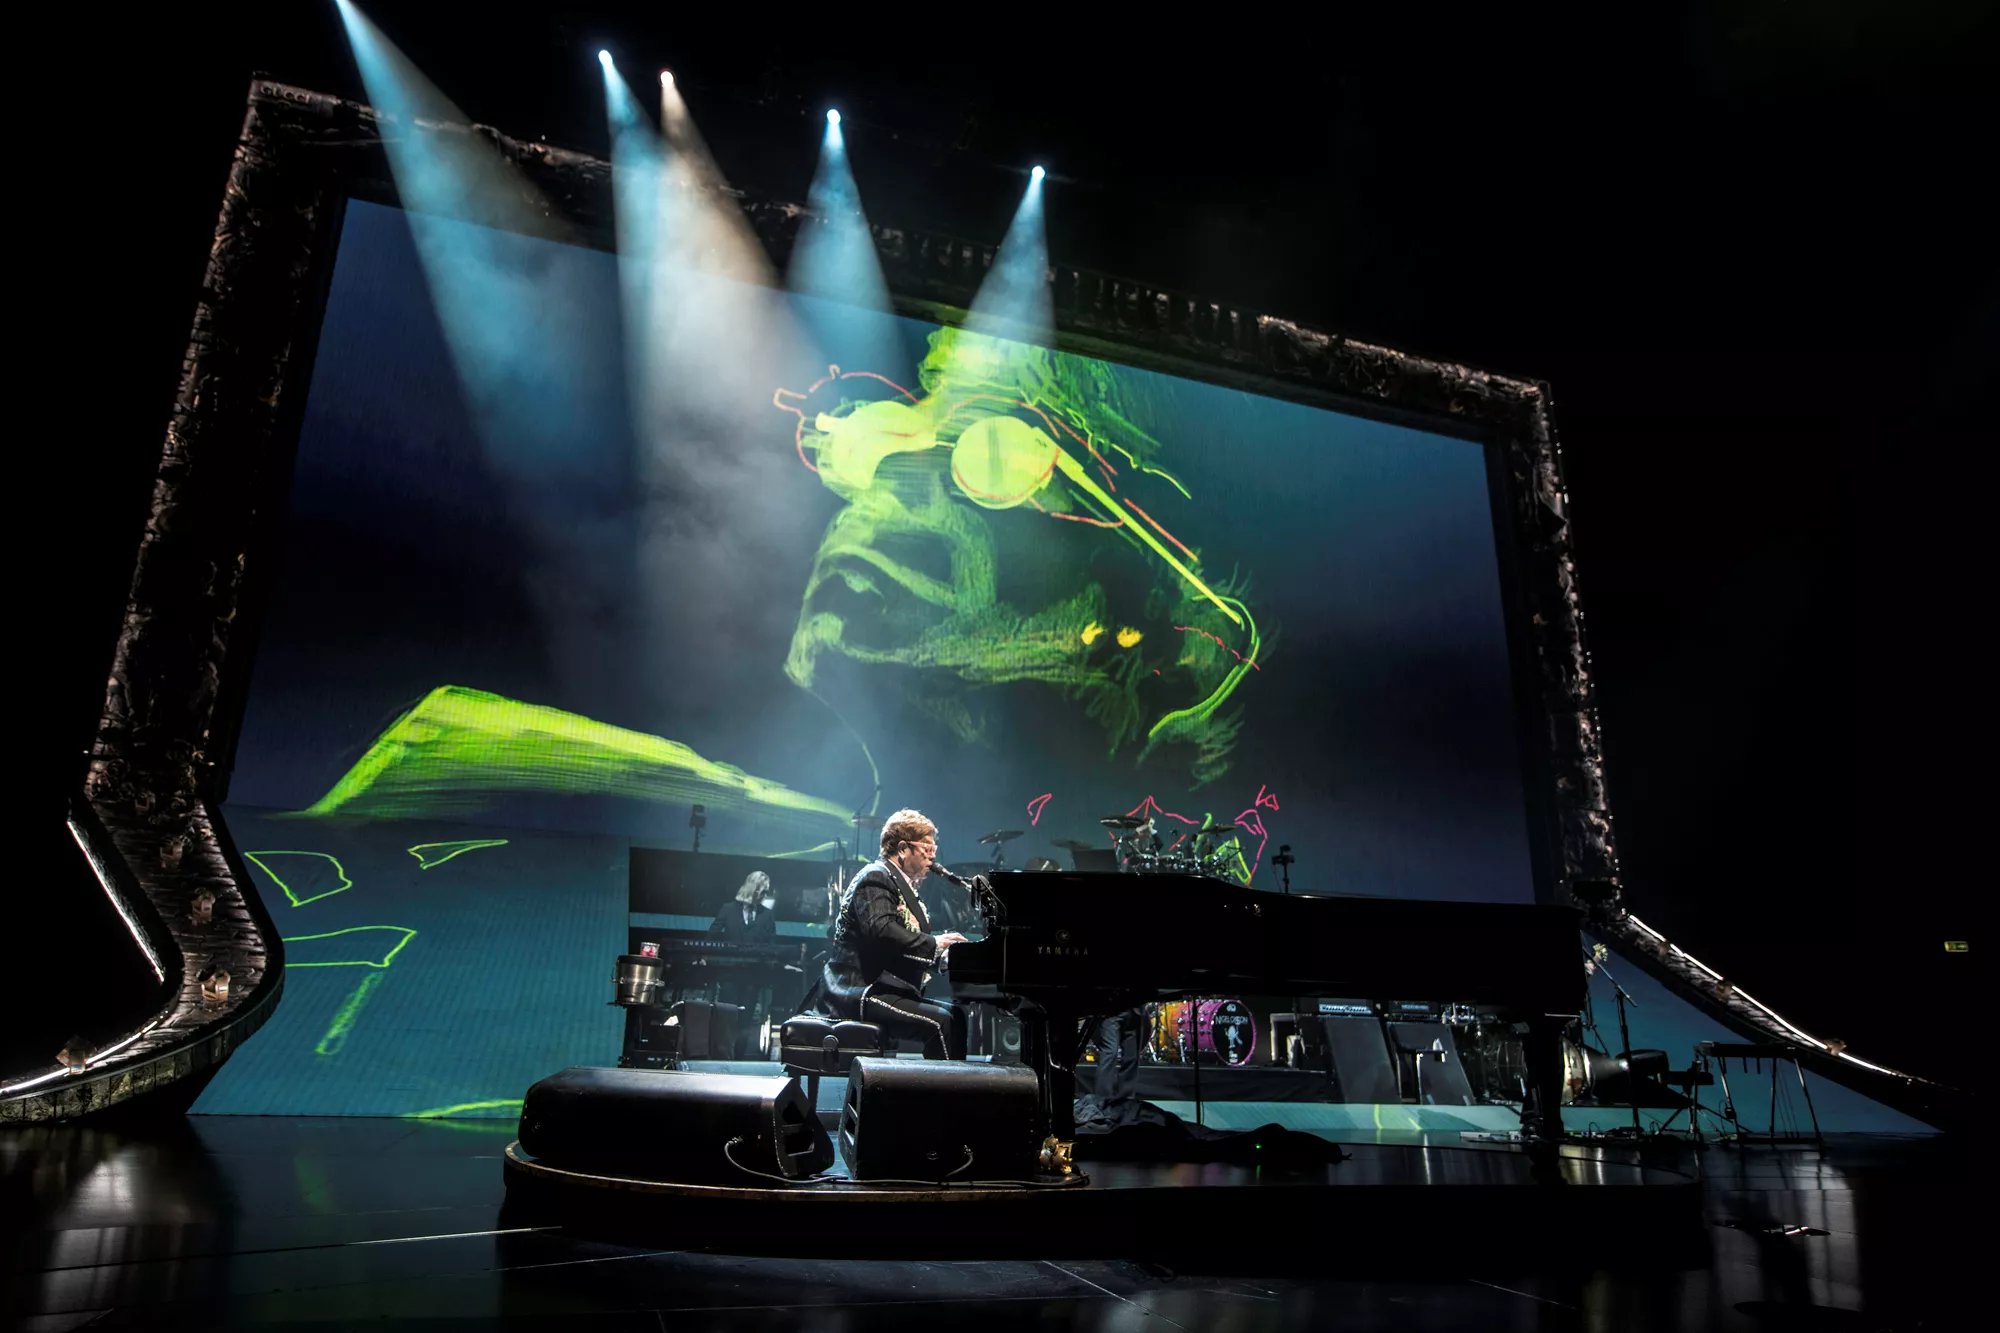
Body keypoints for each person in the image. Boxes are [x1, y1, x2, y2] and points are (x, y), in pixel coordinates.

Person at [817, 809, 969, 1059]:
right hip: (859, 990)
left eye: (934, 848)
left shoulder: (897, 884)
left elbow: (902, 944)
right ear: (902, 848)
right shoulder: (875, 877)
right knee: (942, 1022)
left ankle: (952, 1083)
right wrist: (935, 944)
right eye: (927, 848)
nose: (933, 855)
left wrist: (942, 957)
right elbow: (882, 931)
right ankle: (945, 1086)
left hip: (883, 988)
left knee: (957, 1016)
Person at [711, 872, 778, 944]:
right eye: (763, 892)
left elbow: (771, 944)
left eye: (767, 892)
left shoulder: (768, 915)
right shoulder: (728, 910)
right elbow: (711, 937)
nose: (765, 896)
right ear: (752, 889)